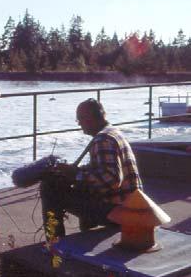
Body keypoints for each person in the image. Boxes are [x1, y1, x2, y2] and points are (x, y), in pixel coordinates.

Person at [40, 98, 143, 238]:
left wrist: (76, 174)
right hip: (132, 205)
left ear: (88, 118)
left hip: (120, 211)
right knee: (82, 187)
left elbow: (111, 180)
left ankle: (55, 243)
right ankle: (87, 234)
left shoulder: (103, 140)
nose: (79, 124)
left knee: (50, 189)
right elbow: (101, 170)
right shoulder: (112, 132)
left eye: (79, 120)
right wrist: (76, 171)